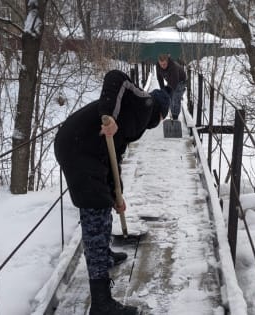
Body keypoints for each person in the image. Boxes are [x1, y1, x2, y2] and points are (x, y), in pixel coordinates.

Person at [54, 69, 170, 315]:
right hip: (78, 147)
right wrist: (109, 114)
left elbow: (114, 156)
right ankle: (101, 303)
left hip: (86, 148)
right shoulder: (145, 103)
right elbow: (115, 77)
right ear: (161, 115)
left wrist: (118, 194)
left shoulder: (134, 124)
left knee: (103, 202)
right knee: (94, 213)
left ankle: (103, 255)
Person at [156, 54, 187, 120]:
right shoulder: (158, 66)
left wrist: (169, 93)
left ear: (167, 62)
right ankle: (172, 112)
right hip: (170, 80)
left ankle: (175, 117)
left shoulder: (173, 67)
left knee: (175, 98)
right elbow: (159, 78)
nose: (162, 66)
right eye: (161, 64)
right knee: (168, 97)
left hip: (180, 81)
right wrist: (163, 90)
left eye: (164, 64)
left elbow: (175, 83)